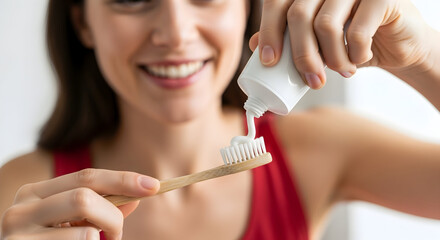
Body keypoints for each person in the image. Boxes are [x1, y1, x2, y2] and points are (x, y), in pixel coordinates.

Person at [1, 0, 439, 239]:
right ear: (82, 22)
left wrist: (424, 58)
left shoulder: (322, 149)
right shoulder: (21, 198)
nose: (175, 33)